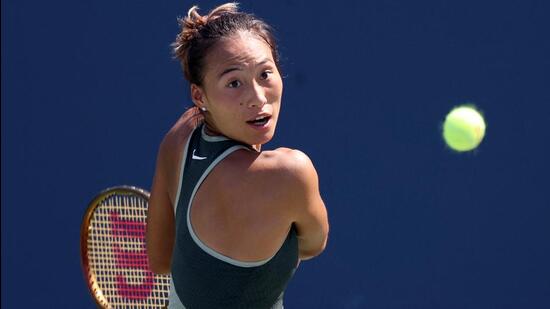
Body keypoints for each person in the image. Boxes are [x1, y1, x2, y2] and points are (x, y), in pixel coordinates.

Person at [146, 3, 329, 308]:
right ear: (199, 95)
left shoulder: (180, 135)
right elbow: (313, 244)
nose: (257, 98)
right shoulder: (289, 173)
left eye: (264, 74)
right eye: (234, 83)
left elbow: (160, 259)